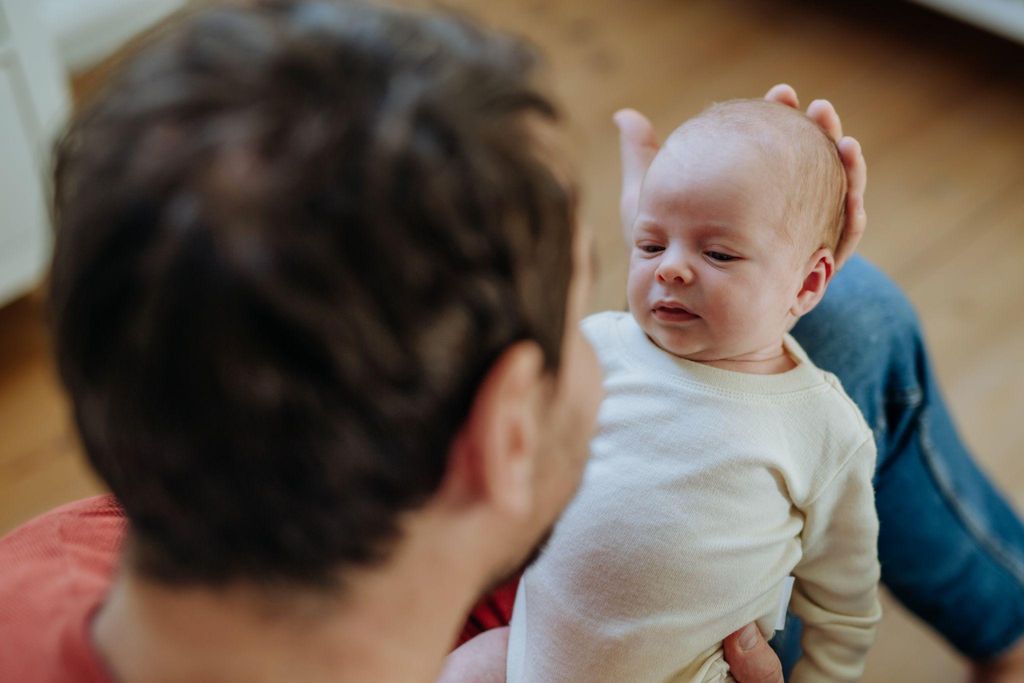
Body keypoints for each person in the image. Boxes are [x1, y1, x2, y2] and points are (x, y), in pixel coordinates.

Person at [0, 3, 1018, 683]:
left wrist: (749, 229)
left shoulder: (36, 571)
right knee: (863, 319)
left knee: (844, 312)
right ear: (502, 433)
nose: (643, 282)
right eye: (578, 303)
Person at [496, 98, 881, 683]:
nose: (670, 269)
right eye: (649, 246)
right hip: (523, 655)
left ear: (807, 282)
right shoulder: (598, 345)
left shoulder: (823, 430)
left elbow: (844, 602)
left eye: (718, 252)